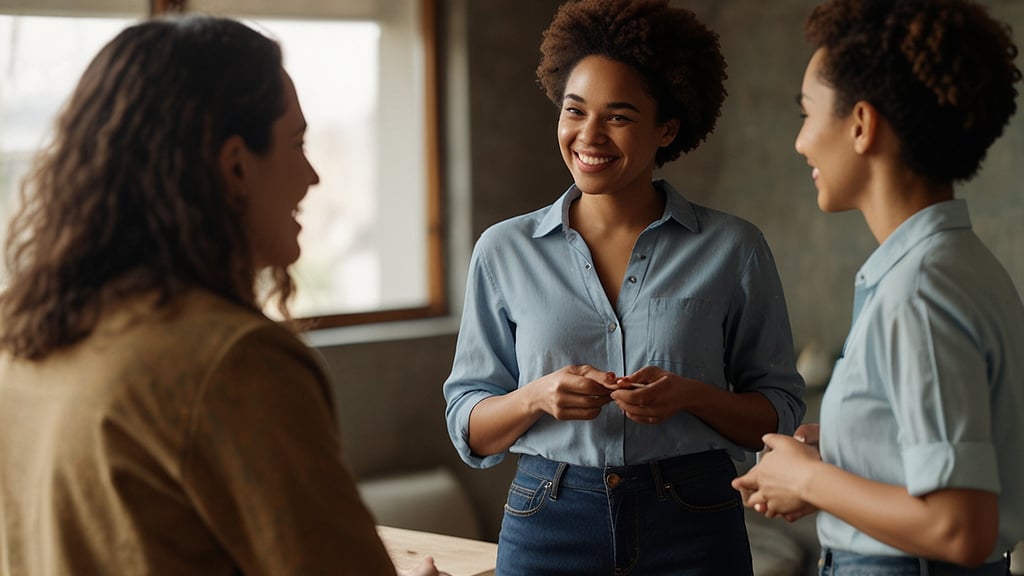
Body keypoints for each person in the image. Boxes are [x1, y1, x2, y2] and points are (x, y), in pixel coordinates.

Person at [0, 15, 443, 576]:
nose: (312, 176)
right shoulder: (234, 361)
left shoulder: (20, 336)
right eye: (297, 144)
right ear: (235, 165)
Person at [442, 0, 805, 573]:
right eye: (574, 110)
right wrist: (537, 396)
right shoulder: (503, 250)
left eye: (618, 117)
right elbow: (470, 426)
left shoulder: (734, 249)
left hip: (693, 520)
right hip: (548, 520)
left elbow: (778, 414)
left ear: (667, 129)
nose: (589, 135)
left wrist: (689, 396)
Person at [732, 0, 1024, 574]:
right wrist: (849, 448)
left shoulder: (921, 291)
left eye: (807, 114)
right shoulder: (959, 268)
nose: (801, 142)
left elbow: (959, 526)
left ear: (862, 125)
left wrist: (808, 479)